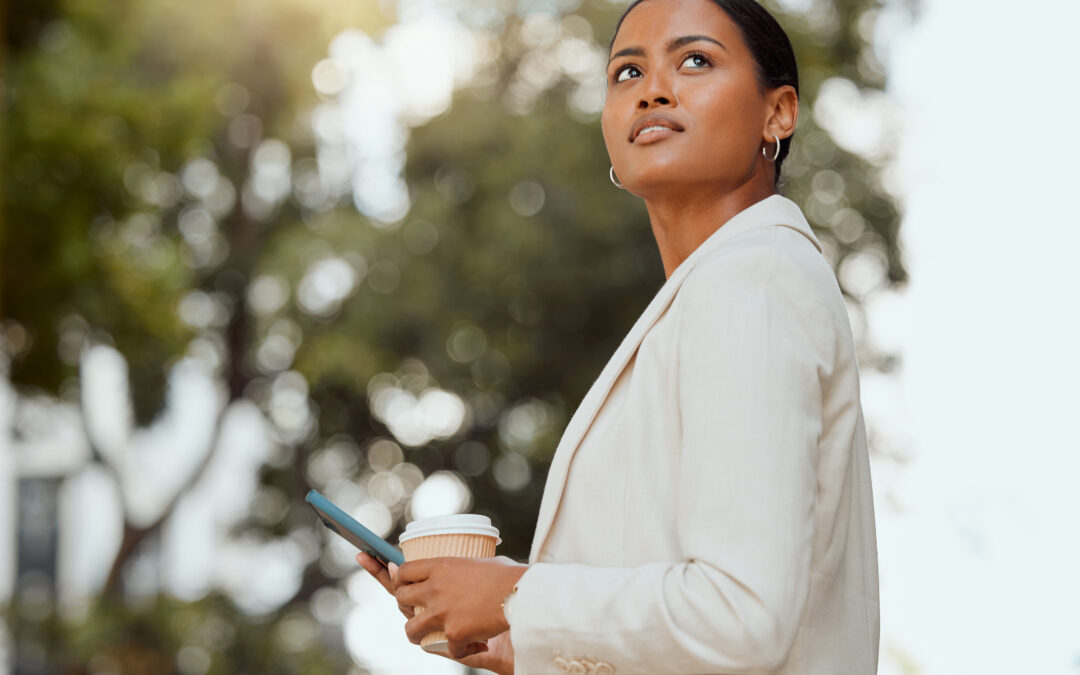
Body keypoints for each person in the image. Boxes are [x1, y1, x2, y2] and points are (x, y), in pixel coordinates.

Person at [358, 0, 880, 672]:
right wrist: (513, 638)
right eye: (627, 73)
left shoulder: (753, 280)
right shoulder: (714, 291)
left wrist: (516, 594)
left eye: (695, 60)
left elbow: (744, 614)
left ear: (777, 113)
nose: (653, 88)